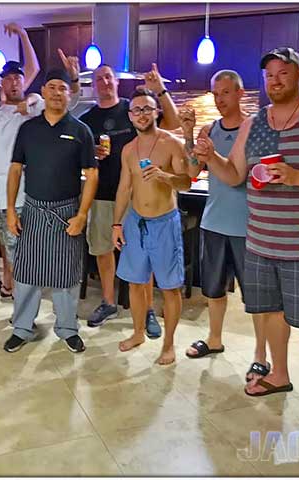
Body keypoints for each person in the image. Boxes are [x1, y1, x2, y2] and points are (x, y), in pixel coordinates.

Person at [193, 47, 299, 430]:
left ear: (298, 73)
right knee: (271, 313)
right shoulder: (256, 123)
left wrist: (296, 176)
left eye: (282, 73)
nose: (275, 81)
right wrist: (211, 156)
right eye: (268, 76)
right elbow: (234, 175)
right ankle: (278, 374)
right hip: (260, 240)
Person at [0, 51, 81, 298]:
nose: (14, 82)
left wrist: (65, 83)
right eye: (9, 78)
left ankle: (28, 304)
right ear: (2, 83)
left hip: (39, 195)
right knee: (14, 253)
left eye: (18, 77)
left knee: (34, 254)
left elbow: (69, 105)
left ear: (23, 81)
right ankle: (19, 304)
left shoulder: (38, 108)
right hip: (9, 199)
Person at [79, 62, 181, 334]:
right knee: (102, 251)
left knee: (142, 255)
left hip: (138, 196)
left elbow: (173, 122)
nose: (104, 82)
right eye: (99, 79)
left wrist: (160, 91)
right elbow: (79, 158)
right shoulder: (88, 120)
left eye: (108, 77)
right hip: (102, 195)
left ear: (115, 81)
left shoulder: (133, 108)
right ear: (94, 84)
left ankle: (147, 309)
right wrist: (93, 157)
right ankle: (109, 302)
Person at [182, 70, 270, 382]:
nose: (220, 100)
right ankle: (215, 339)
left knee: (256, 297)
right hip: (214, 222)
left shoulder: (254, 128)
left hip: (248, 228)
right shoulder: (209, 129)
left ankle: (261, 356)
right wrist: (190, 133)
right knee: (214, 289)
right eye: (216, 94)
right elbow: (192, 171)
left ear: (240, 93)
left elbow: (241, 175)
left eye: (226, 93)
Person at [3, 68, 98, 353]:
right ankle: (21, 327)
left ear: (70, 94)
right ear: (43, 92)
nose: (57, 93)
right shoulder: (28, 129)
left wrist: (82, 215)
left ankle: (68, 329)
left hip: (67, 212)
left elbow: (91, 175)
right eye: (52, 87)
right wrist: (10, 209)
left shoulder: (81, 131)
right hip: (33, 210)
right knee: (26, 274)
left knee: (67, 276)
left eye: (63, 88)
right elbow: (16, 169)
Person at [112, 89, 192, 365]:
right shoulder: (128, 150)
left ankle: (168, 345)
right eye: (136, 110)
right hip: (135, 222)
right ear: (130, 116)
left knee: (169, 288)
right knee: (135, 283)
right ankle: (137, 333)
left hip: (164, 223)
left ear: (157, 111)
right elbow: (124, 187)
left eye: (147, 109)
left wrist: (165, 176)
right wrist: (116, 223)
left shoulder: (171, 143)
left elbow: (186, 181)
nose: (142, 114)